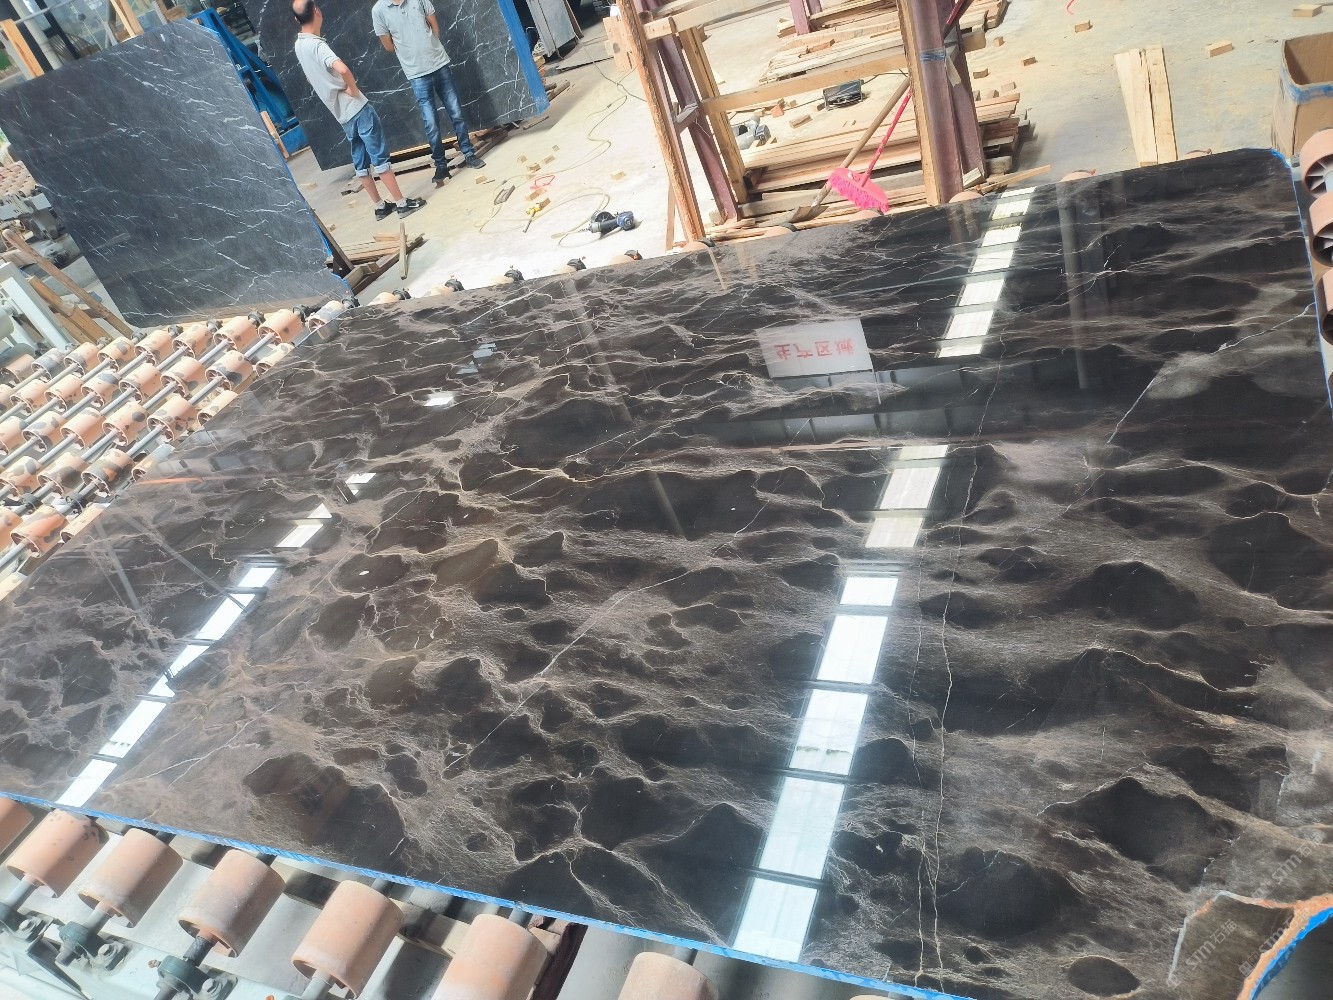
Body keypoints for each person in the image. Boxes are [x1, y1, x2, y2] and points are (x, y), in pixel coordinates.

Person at [292, 0, 424, 220]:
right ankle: (401, 204)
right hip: (356, 108)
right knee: (379, 155)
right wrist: (353, 89)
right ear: (316, 11)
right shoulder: (317, 45)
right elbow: (342, 68)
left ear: (296, 19)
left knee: (360, 159)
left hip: (340, 114)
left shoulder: (299, 46)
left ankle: (380, 206)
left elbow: (309, 77)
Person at [371, 0, 485, 186]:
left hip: (439, 64)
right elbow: (388, 46)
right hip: (416, 74)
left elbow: (433, 23)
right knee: (430, 122)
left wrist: (432, 46)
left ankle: (469, 154)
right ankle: (441, 165)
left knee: (456, 112)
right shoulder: (379, 11)